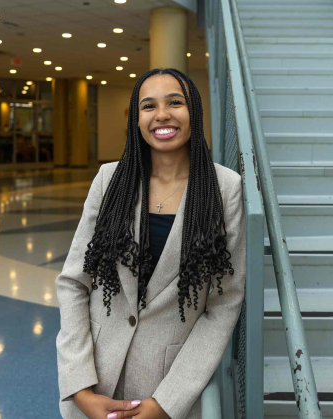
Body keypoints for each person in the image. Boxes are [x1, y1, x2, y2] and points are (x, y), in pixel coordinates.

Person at [56, 68, 246, 419]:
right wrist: (79, 387)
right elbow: (73, 283)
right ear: (136, 118)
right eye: (148, 106)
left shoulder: (224, 188)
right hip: (96, 382)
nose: (162, 114)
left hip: (169, 387)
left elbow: (222, 306)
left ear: (195, 112)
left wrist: (167, 402)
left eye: (175, 102)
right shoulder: (109, 180)